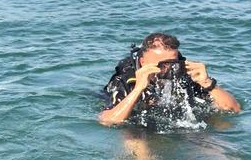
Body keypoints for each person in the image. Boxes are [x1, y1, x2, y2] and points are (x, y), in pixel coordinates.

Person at [98, 32, 240, 126]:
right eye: (161, 65)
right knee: (140, 154)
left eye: (172, 63)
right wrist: (138, 89)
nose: (168, 69)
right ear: (143, 62)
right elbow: (108, 121)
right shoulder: (126, 80)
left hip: (181, 128)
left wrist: (207, 83)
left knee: (222, 150)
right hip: (138, 128)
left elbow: (234, 110)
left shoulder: (184, 75)